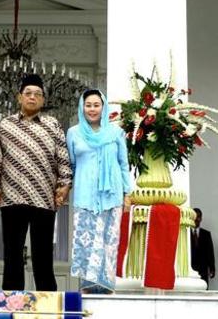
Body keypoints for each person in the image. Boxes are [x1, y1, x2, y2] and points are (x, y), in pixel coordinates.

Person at [0, 74, 73, 291]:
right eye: (28, 94)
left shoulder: (53, 124)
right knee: (12, 255)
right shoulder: (5, 125)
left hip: (44, 199)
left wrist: (64, 186)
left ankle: (47, 306)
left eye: (38, 94)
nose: (32, 98)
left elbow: (63, 158)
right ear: (19, 97)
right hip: (11, 198)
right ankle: (12, 304)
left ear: (43, 100)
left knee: (43, 255)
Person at [66, 89, 131, 294]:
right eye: (88, 105)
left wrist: (127, 193)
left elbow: (123, 164)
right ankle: (87, 286)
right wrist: (64, 188)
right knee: (85, 240)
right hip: (85, 195)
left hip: (112, 196)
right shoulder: (74, 133)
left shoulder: (116, 133)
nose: (92, 109)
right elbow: (71, 165)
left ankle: (106, 286)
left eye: (96, 105)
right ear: (82, 108)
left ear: (103, 107)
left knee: (108, 242)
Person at [191, 208, 215, 288]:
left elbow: (210, 252)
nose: (196, 219)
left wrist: (212, 268)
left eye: (198, 217)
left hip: (203, 269)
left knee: (204, 290)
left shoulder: (206, 234)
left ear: (201, 218)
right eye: (194, 216)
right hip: (190, 270)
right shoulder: (185, 234)